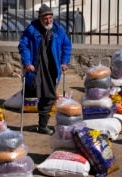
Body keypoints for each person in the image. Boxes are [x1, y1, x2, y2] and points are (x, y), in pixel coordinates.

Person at [18, 4, 72, 135]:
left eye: (50, 18)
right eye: (45, 18)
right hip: (36, 67)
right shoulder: (32, 30)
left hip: (52, 67)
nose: (48, 21)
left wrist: (65, 62)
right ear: (40, 19)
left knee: (48, 95)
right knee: (37, 92)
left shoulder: (58, 30)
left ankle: (42, 125)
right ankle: (42, 123)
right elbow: (23, 46)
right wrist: (27, 63)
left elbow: (66, 46)